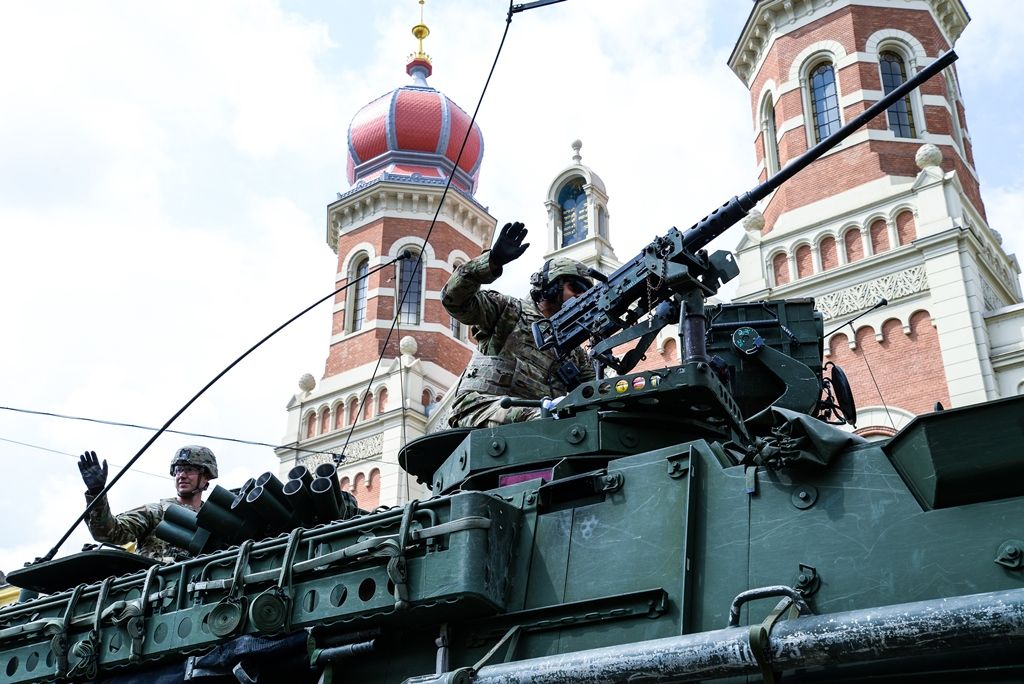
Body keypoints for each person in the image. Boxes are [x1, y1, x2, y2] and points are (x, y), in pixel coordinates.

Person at [442, 221, 597, 428]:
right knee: (549, 418)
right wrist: (491, 262)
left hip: (541, 419)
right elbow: (454, 300)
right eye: (575, 287)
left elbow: (596, 392)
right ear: (552, 285)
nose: (580, 297)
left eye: (586, 294)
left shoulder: (573, 352)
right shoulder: (508, 310)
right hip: (481, 408)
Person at [77, 445, 218, 562]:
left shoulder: (214, 521)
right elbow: (110, 533)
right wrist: (97, 492)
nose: (181, 475)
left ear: (206, 476)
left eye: (189, 470)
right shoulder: (155, 512)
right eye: (178, 470)